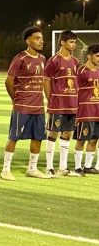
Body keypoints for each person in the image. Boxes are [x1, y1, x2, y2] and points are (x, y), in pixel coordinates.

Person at [0, 26, 49, 180]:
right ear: (28, 41)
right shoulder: (20, 58)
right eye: (37, 38)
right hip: (23, 106)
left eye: (42, 38)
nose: (41, 41)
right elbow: (8, 81)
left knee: (38, 137)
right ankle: (5, 170)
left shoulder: (42, 59)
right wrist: (15, 99)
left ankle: (32, 169)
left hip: (38, 107)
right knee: (13, 137)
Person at [43, 31, 81, 177]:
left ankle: (63, 167)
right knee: (53, 133)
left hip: (72, 104)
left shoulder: (76, 61)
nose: (74, 45)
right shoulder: (54, 60)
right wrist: (50, 99)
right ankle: (49, 167)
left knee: (67, 133)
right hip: (57, 104)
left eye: (75, 42)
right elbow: (46, 80)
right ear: (62, 42)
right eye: (71, 42)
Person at [73, 44, 99, 175]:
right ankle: (77, 167)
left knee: (94, 139)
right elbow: (75, 92)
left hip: (97, 111)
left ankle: (88, 166)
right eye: (97, 56)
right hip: (85, 111)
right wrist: (75, 112)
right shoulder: (81, 71)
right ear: (89, 56)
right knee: (81, 139)